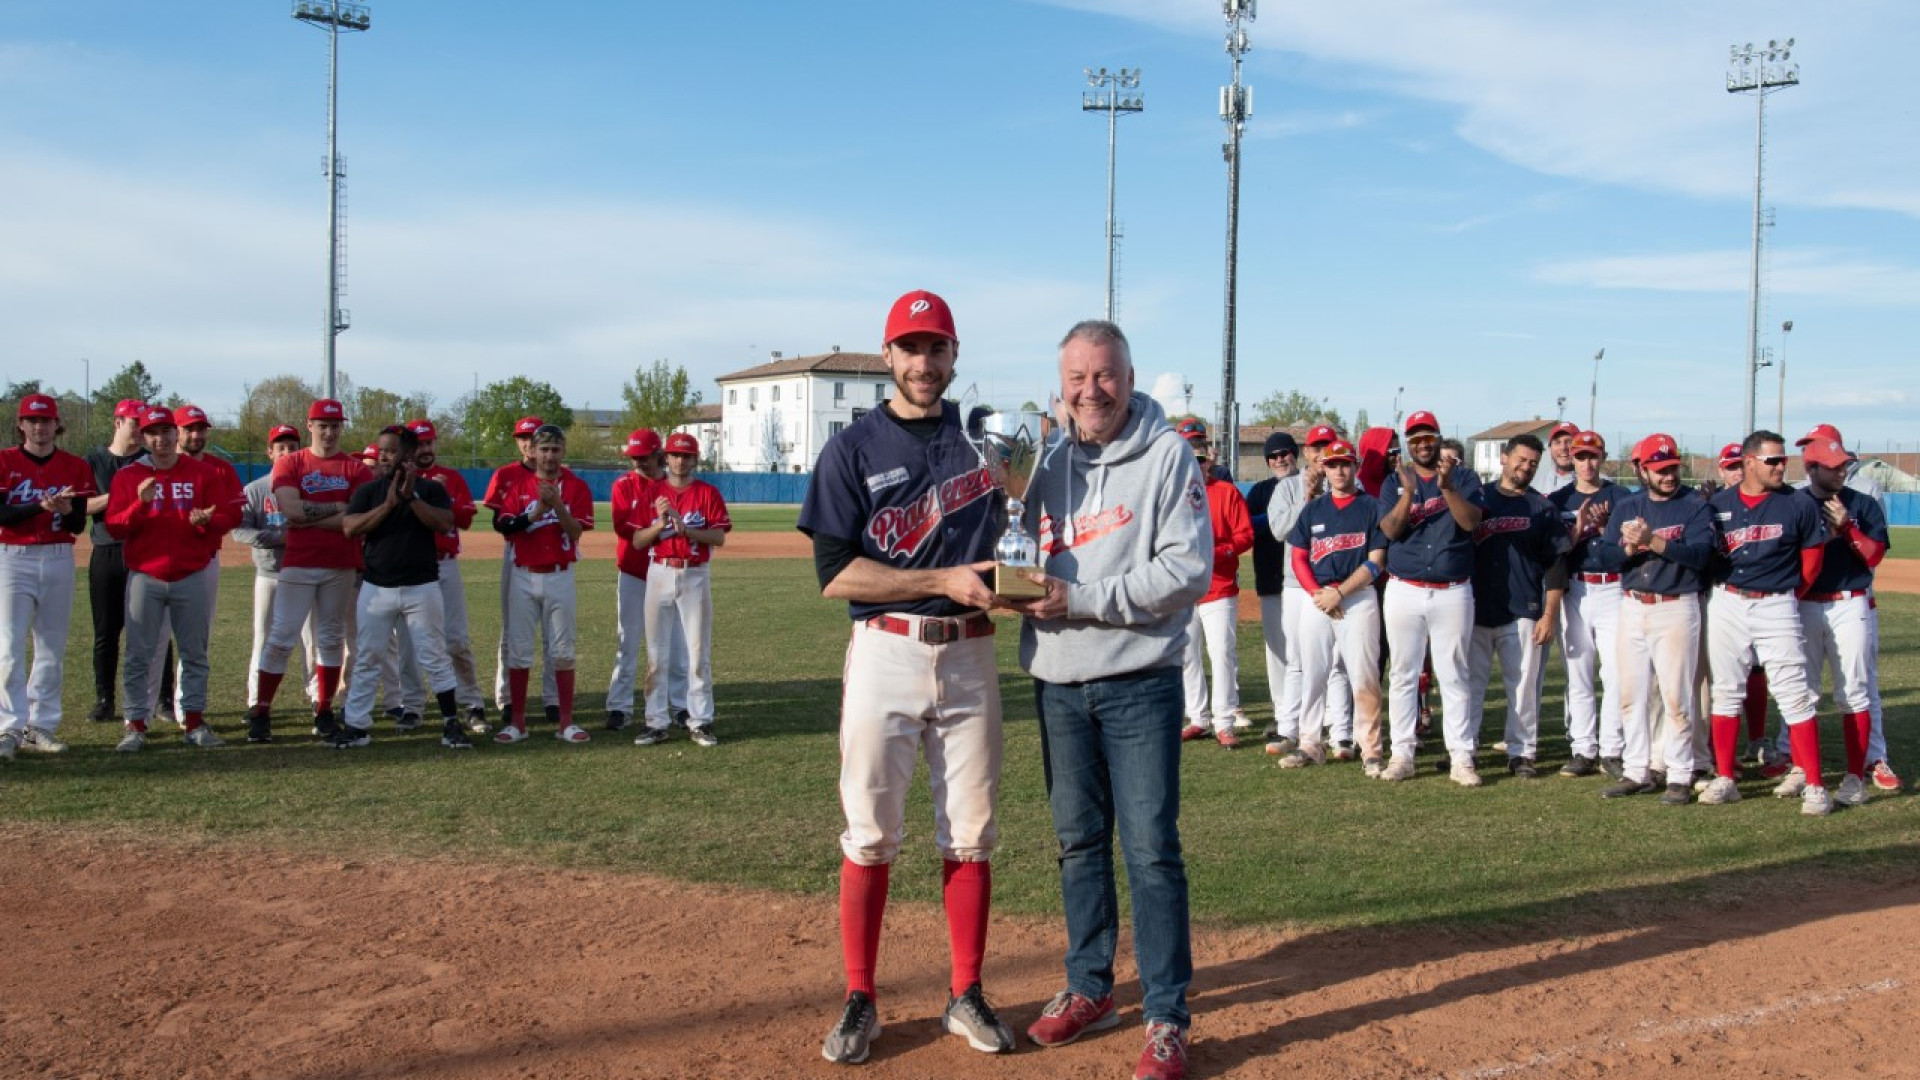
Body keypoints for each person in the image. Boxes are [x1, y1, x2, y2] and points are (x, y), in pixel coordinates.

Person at [798, 289, 1016, 1065]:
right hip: (886, 649)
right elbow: (835, 574)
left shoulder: (986, 446)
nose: (925, 362)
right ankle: (861, 996)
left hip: (971, 651)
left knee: (972, 831)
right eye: (911, 347)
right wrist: (946, 577)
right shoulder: (852, 448)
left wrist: (1017, 573)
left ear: (955, 357)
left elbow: (1027, 537)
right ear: (887, 356)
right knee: (869, 831)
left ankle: (965, 992)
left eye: (938, 348)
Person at [1016, 319, 1210, 1080]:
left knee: (1152, 852)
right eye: (1077, 378)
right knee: (1076, 844)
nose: (1090, 391)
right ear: (1060, 385)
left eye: (1105, 376)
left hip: (1138, 681)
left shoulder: (1167, 456)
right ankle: (1090, 986)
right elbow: (1019, 548)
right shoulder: (1045, 461)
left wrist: (1079, 597)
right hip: (1058, 681)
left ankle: (1166, 1015)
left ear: (1129, 380)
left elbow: (1185, 572)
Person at [1701, 430, 1834, 815]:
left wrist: (1785, 594)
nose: (1781, 466)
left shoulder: (1798, 504)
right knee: (1726, 690)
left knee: (1794, 694)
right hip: (1728, 600)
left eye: (1782, 460)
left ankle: (1813, 783)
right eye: (1772, 460)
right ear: (1749, 463)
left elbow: (1812, 562)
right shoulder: (1719, 504)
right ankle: (1726, 776)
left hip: (1777, 602)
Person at [104, 406, 238, 751]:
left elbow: (226, 517)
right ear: (143, 437)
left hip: (190, 573)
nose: (160, 439)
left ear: (175, 434)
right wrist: (140, 504)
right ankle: (135, 724)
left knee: (195, 652)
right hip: (145, 575)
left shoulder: (202, 473)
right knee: (139, 653)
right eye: (153, 433)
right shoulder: (129, 476)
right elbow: (115, 526)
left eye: (166, 432)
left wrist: (207, 521)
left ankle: (193, 721)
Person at [332, 425, 470, 749]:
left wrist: (411, 498)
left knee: (434, 656)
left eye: (391, 450)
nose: (383, 456)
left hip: (421, 586)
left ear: (408, 455)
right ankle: (357, 725)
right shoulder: (370, 490)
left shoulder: (430, 490)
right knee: (368, 656)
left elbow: (444, 523)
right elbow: (350, 528)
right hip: (377, 587)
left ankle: (451, 723)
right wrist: (389, 504)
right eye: (381, 450)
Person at [1594, 434, 1716, 804]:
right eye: (1660, 469)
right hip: (1632, 603)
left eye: (1672, 467)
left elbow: (1700, 556)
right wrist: (1631, 546)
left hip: (1676, 605)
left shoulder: (1694, 506)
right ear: (1641, 469)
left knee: (1677, 695)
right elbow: (1607, 560)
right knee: (1632, 693)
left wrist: (1653, 541)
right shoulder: (1627, 506)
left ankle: (1679, 772)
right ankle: (1637, 769)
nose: (1668, 475)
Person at [246, 399, 371, 740]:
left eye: (335, 426)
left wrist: (312, 513)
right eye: (322, 425)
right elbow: (290, 511)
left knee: (330, 639)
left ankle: (324, 709)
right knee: (281, 637)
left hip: (340, 563)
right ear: (311, 426)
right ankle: (261, 710)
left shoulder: (356, 468)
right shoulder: (292, 463)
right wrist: (335, 507)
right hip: (299, 563)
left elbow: (353, 522)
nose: (329, 432)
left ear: (341, 428)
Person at [1379, 410, 1487, 786]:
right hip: (1404, 587)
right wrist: (1408, 492)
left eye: (1429, 437)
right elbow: (1391, 531)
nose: (1423, 444)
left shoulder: (1465, 478)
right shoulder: (1395, 481)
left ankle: (1461, 757)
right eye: (1416, 438)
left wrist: (1446, 485)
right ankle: (1402, 754)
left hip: (1453, 590)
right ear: (1409, 443)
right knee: (1403, 674)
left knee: (1454, 674)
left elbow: (1471, 522)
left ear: (1439, 437)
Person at [1277, 439, 1389, 776]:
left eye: (1346, 463)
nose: (1340, 470)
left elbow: (1377, 562)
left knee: (1364, 675)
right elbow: (1297, 556)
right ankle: (1311, 743)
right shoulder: (1313, 509)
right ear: (1323, 469)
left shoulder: (1371, 507)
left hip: (1357, 597)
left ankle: (1370, 749)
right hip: (1318, 598)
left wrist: (1339, 592)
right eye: (1333, 464)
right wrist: (1317, 593)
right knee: (1313, 673)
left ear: (1355, 467)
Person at [1464, 435, 1569, 781]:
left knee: (1522, 685)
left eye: (1533, 463)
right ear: (1504, 458)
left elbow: (1556, 564)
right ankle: (1466, 749)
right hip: (1477, 607)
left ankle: (1522, 752)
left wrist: (1550, 614)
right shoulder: (1478, 499)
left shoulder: (1542, 508)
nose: (1526, 467)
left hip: (1524, 606)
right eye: (1521, 459)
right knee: (1471, 684)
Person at [1796, 431, 1893, 800]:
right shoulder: (1796, 504)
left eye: (1844, 466)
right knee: (1802, 692)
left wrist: (1847, 527)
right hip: (1804, 603)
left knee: (1853, 691)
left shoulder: (1862, 503)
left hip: (1849, 603)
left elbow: (1872, 556)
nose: (1841, 473)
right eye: (1833, 468)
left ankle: (1855, 777)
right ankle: (1805, 771)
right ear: (1812, 467)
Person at [486, 423, 594, 743]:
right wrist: (534, 513)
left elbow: (576, 532)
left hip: (560, 574)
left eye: (555, 449)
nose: (549, 456)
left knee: (563, 650)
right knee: (519, 650)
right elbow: (505, 527)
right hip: (523, 573)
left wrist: (557, 504)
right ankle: (517, 721)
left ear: (563, 452)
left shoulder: (575, 486)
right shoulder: (519, 484)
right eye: (543, 449)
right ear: (532, 451)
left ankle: (565, 722)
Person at [140, 404, 245, 725]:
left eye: (201, 428)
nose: (196, 434)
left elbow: (235, 514)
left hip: (203, 562)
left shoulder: (219, 469)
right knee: (154, 642)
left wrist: (211, 521)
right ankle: (141, 713)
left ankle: (187, 709)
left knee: (195, 641)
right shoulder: (155, 467)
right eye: (189, 428)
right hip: (157, 565)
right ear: (176, 432)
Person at [0, 394, 92, 759]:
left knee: (51, 647)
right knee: (8, 648)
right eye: (32, 421)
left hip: (57, 555)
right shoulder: (4, 461)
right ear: (21, 425)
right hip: (13, 556)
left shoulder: (75, 466)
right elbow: (2, 515)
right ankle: (9, 727)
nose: (39, 427)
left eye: (46, 421)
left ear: (57, 425)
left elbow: (77, 523)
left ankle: (41, 725)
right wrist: (39, 505)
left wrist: (68, 510)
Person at [631, 433, 730, 745]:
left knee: (698, 651)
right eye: (675, 455)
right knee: (656, 653)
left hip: (694, 573)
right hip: (659, 570)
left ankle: (700, 720)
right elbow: (636, 540)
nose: (680, 461)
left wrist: (687, 530)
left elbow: (718, 537)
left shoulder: (707, 493)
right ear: (666, 458)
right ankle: (656, 721)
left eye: (686, 456)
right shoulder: (653, 493)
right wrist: (661, 524)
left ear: (695, 459)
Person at [1548, 431, 1624, 778]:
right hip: (1576, 589)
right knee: (1578, 673)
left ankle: (1612, 748)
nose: (1587, 463)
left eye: (1593, 456)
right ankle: (1582, 748)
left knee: (1615, 673)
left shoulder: (1620, 497)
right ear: (1571, 460)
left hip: (1614, 587)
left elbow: (1630, 547)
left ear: (1602, 457)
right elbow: (1553, 551)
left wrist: (1609, 530)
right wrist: (1577, 530)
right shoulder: (1559, 498)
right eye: (1580, 457)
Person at [404, 419, 488, 732]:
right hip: (410, 566)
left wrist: (442, 496)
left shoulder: (450, 478)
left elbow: (464, 519)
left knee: (456, 638)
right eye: (419, 444)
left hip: (444, 564)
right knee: (409, 644)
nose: (425, 449)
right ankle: (411, 706)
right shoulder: (399, 477)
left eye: (429, 443)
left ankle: (472, 703)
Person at [605, 429, 690, 731]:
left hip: (671, 572)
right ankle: (619, 706)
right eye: (633, 457)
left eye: (643, 457)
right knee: (627, 641)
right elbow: (624, 529)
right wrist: (657, 525)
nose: (638, 462)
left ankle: (680, 705)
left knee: (677, 645)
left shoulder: (676, 485)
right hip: (633, 571)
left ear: (659, 455)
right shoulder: (624, 485)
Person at [1176, 419, 1253, 748]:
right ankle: (1198, 718)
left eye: (1201, 456)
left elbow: (1246, 535)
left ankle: (1224, 721)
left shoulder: (1226, 492)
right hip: (1182, 588)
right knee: (1187, 655)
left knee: (1221, 652)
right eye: (1190, 456)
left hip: (1219, 585)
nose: (1197, 463)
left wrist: (1217, 552)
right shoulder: (1170, 496)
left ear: (1209, 459)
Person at [232, 424, 307, 741]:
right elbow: (239, 531)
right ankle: (256, 705)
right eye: (281, 447)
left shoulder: (310, 486)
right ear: (270, 452)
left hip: (305, 574)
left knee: (312, 645)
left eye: (292, 447)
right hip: (270, 575)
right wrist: (278, 537)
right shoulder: (255, 489)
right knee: (263, 642)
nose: (287, 452)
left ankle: (320, 703)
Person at [81, 398, 148, 722]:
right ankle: (104, 698)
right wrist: (120, 494)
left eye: (143, 424)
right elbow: (82, 507)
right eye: (134, 422)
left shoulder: (149, 461)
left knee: (151, 629)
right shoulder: (94, 461)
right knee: (106, 631)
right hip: (106, 551)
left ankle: (161, 698)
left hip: (144, 550)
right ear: (118, 422)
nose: (139, 429)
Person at [490, 416, 559, 726]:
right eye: (523, 437)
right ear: (517, 442)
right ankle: (507, 698)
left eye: (534, 436)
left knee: (553, 634)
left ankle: (553, 700)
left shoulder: (562, 477)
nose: (529, 442)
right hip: (517, 553)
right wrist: (529, 518)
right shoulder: (507, 475)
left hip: (554, 557)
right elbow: (497, 522)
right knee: (512, 631)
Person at [1533, 421, 1579, 494]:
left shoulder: (1596, 484)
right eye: (1557, 442)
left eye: (1569, 442)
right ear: (1550, 448)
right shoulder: (1538, 485)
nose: (1563, 447)